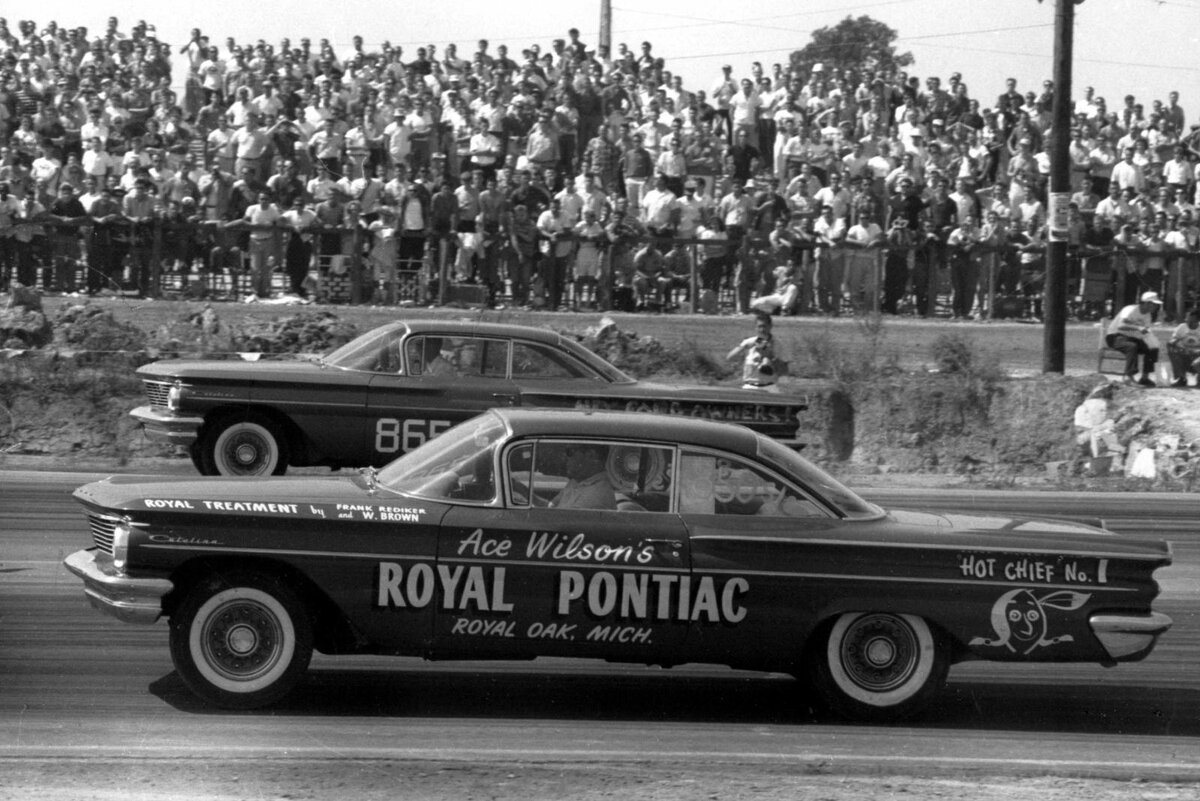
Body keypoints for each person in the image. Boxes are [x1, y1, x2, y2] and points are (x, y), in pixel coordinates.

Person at [1106, 291, 1163, 387]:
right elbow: (1121, 326)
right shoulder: (1130, 309)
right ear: (1146, 303)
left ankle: (1145, 378)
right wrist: (1138, 327)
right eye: (1154, 304)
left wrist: (1151, 339)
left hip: (1132, 338)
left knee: (1153, 348)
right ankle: (1129, 378)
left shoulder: (1147, 316)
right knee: (1132, 346)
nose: (1156, 307)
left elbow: (1144, 331)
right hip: (1115, 336)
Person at [727, 312, 790, 391]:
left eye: (764, 326)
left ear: (770, 326)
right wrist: (743, 347)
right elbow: (730, 358)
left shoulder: (778, 345)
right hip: (749, 386)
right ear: (755, 328)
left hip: (769, 387)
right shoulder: (749, 342)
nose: (762, 330)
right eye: (759, 326)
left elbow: (784, 371)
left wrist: (770, 356)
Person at [550, 443, 617, 510]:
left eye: (569, 452)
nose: (564, 457)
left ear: (591, 455)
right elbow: (551, 507)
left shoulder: (596, 494)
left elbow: (559, 518)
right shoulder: (576, 481)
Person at [1167, 308, 1200, 388]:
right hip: (1185, 353)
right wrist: (1180, 345)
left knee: (1197, 363)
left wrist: (1196, 351)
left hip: (1197, 355)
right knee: (1172, 348)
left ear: (1197, 319)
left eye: (1191, 318)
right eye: (1187, 317)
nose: (1187, 319)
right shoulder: (1182, 327)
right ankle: (1181, 378)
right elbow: (1171, 342)